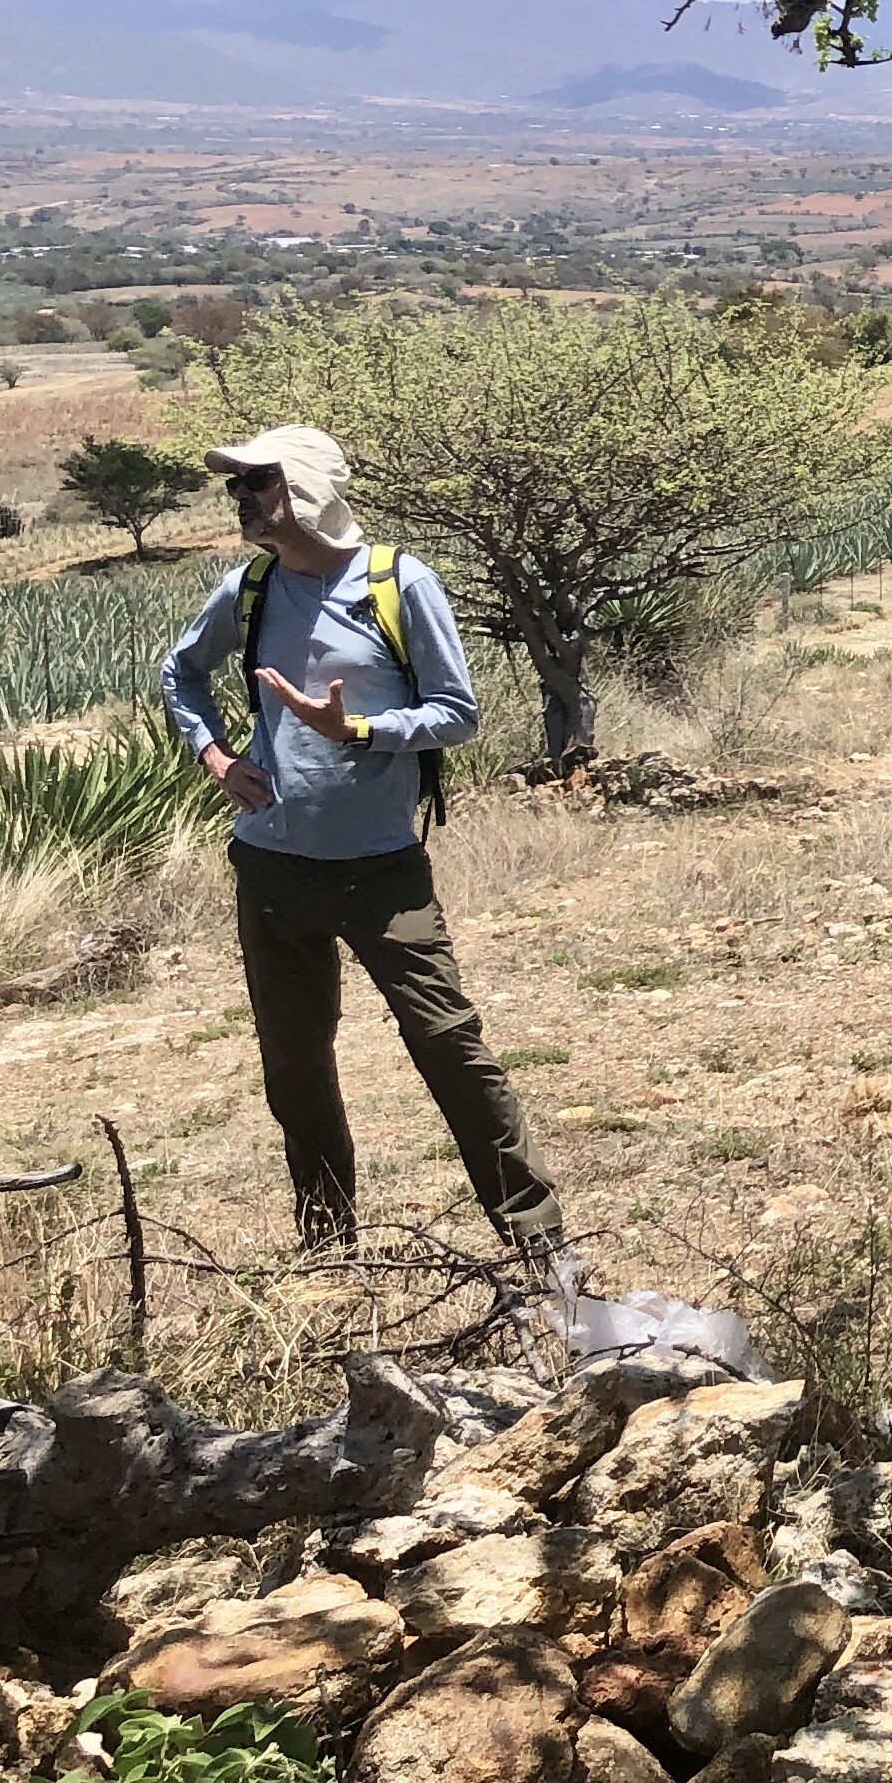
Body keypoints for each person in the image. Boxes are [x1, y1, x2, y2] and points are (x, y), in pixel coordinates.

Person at [159, 423, 571, 1282]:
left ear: (304, 488)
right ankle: (327, 1254)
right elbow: (180, 674)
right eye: (234, 486)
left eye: (256, 483)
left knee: (451, 1048)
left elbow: (458, 712)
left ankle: (539, 1248)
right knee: (296, 1067)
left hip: (384, 872)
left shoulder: (396, 582)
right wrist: (217, 759)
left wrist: (356, 727)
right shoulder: (250, 589)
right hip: (271, 866)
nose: (239, 499)